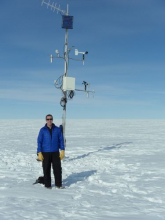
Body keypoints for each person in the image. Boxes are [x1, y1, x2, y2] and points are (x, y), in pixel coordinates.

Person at [37, 114, 65, 189]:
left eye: (50, 119)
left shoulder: (57, 129)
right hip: (45, 152)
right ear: (46, 120)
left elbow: (61, 140)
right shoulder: (42, 130)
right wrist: (39, 152)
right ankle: (47, 185)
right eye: (48, 119)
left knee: (57, 169)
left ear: (52, 120)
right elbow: (39, 141)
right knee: (46, 169)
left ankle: (58, 185)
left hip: (55, 152)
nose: (49, 120)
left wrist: (62, 150)